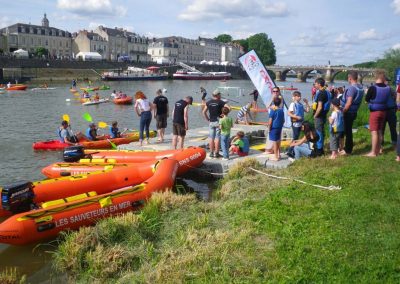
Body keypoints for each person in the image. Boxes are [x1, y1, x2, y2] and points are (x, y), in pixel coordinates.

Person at [364, 70, 391, 157]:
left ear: (376, 77)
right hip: (384, 111)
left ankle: (373, 152)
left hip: (375, 112)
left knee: (374, 131)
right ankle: (378, 149)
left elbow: (366, 99)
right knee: (379, 131)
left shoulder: (373, 88)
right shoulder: (388, 88)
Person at [339, 71, 364, 155]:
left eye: (348, 78)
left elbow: (349, 102)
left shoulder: (352, 88)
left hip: (348, 112)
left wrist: (343, 112)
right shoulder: (360, 87)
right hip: (354, 112)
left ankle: (348, 150)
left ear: (350, 78)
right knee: (348, 130)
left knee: (348, 131)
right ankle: (346, 148)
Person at [202, 89, 229, 158]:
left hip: (211, 122)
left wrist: (208, 119)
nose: (220, 95)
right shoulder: (220, 102)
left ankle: (211, 153)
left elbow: (204, 112)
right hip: (218, 122)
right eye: (220, 94)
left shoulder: (208, 102)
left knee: (211, 138)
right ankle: (216, 153)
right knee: (217, 138)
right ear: (217, 95)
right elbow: (229, 108)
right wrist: (224, 114)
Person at [312, 78, 332, 156]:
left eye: (315, 84)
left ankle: (319, 150)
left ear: (319, 84)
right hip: (323, 115)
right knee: (321, 131)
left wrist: (315, 115)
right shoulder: (327, 92)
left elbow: (319, 107)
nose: (314, 85)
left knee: (318, 132)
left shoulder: (321, 93)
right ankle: (320, 148)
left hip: (319, 116)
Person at [381, 76, 398, 148]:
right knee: (391, 128)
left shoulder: (380, 89)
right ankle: (394, 143)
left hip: (386, 110)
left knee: (384, 128)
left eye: (388, 81)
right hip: (391, 110)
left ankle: (382, 143)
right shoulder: (391, 89)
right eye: (386, 81)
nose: (387, 82)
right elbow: (395, 98)